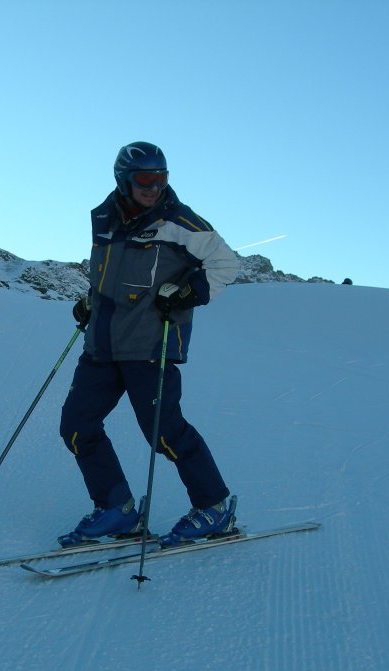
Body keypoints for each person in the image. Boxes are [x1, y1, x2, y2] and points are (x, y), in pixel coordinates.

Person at [58, 141, 240, 549]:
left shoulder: (179, 221)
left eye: (161, 178)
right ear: (123, 179)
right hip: (102, 346)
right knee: (76, 426)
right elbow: (108, 274)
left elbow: (227, 263)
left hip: (150, 342)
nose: (153, 187)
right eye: (145, 179)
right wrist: (93, 299)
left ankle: (214, 507)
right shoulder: (105, 220)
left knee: (164, 432)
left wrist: (188, 292)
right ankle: (116, 509)